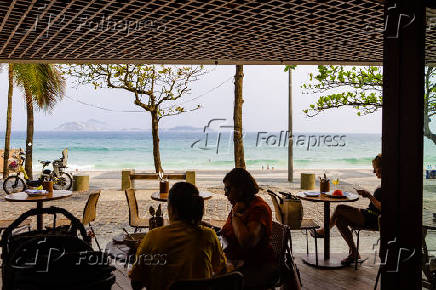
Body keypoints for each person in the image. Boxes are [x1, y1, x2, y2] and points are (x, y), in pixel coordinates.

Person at [129, 182, 227, 290]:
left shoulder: (153, 237)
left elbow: (136, 283)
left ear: (172, 209)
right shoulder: (208, 236)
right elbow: (222, 270)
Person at [314, 154, 382, 265]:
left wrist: (369, 195)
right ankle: (354, 253)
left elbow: (381, 206)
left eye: (375, 168)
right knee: (339, 220)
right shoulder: (385, 183)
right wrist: (368, 195)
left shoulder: (389, 185)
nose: (374, 172)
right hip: (369, 214)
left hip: (374, 218)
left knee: (340, 208)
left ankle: (325, 231)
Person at [221, 168, 279, 289]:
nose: (225, 193)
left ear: (241, 189)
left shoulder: (258, 209)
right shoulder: (241, 206)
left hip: (255, 266)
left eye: (228, 189)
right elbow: (231, 231)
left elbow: (247, 242)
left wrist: (235, 216)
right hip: (237, 261)